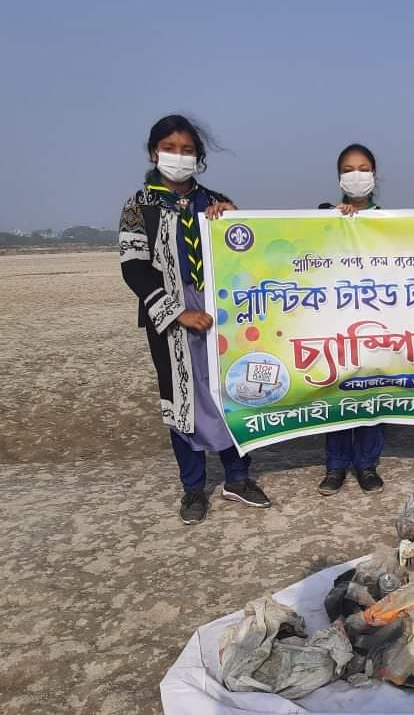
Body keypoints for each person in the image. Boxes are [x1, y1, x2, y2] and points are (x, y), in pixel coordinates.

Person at [118, 114, 272, 524]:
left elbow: (245, 254)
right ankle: (193, 488)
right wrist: (177, 312)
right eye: (170, 148)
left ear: (199, 157)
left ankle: (237, 476)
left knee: (232, 390)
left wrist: (234, 221)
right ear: (153, 152)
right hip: (171, 316)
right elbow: (134, 267)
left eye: (187, 150)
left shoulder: (215, 201)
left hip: (222, 312)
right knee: (182, 401)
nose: (178, 156)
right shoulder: (139, 206)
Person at [315, 144, 386, 496]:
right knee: (338, 388)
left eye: (363, 168)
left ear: (375, 174)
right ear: (339, 177)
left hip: (377, 319)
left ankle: (367, 464)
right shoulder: (324, 216)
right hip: (337, 318)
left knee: (372, 391)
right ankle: (336, 465)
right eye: (348, 169)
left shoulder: (390, 221)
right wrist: (333, 220)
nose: (356, 176)